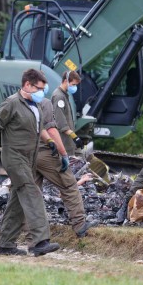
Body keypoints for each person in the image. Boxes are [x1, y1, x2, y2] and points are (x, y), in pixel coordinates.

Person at [0, 69, 60, 257]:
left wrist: (50, 142)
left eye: (44, 89)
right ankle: (39, 242)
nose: (42, 92)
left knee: (18, 202)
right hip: (14, 157)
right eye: (39, 88)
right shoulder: (11, 103)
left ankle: (5, 245)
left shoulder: (35, 106)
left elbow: (39, 128)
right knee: (32, 191)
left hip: (29, 159)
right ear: (27, 84)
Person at [34, 97, 96, 238]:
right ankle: (80, 226)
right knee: (69, 186)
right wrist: (64, 154)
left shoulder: (22, 103)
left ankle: (28, 231)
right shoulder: (46, 102)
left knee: (31, 193)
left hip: (28, 153)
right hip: (46, 152)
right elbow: (52, 130)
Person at [52, 71, 84, 156]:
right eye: (73, 84)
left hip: (68, 142)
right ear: (66, 81)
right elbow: (61, 123)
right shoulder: (59, 97)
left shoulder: (64, 95)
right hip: (64, 142)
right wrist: (75, 137)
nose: (75, 87)